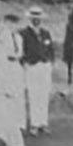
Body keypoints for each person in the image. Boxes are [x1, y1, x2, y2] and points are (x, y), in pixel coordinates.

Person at [20, 7, 55, 137]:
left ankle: (43, 122)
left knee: (44, 94)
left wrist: (50, 61)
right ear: (30, 18)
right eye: (34, 18)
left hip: (44, 66)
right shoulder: (24, 33)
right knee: (34, 94)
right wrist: (26, 61)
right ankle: (35, 123)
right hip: (32, 66)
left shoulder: (46, 33)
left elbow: (50, 49)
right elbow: (21, 50)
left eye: (38, 18)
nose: (36, 20)